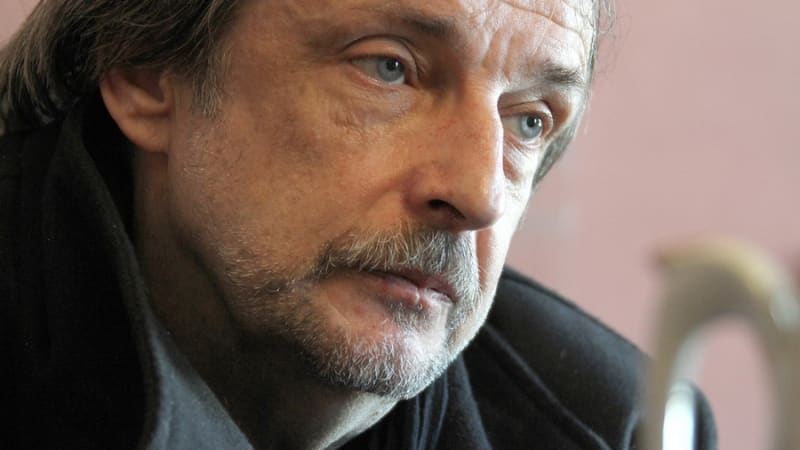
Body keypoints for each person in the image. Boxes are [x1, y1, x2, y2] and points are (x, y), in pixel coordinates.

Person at [0, 0, 716, 449]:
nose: (479, 194)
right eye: (389, 68)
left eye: (529, 120)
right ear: (146, 70)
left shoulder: (618, 425)